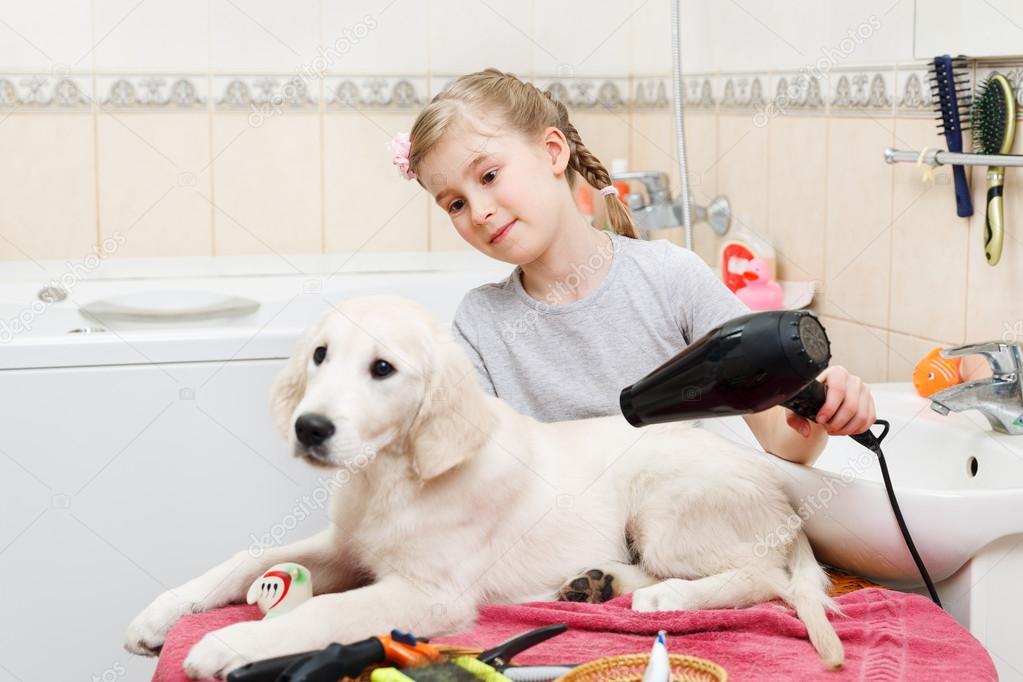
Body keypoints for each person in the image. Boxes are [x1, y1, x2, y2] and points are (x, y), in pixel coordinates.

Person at [389, 68, 875, 466]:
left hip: (674, 529)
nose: (478, 211)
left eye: (489, 176)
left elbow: (779, 437)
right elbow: (480, 471)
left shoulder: (669, 277)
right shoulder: (480, 323)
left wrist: (821, 417)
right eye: (453, 204)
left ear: (553, 152)